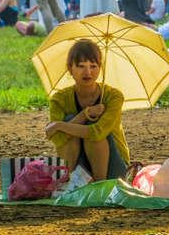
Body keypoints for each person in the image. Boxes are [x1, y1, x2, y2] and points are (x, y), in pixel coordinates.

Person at [45, 39, 130, 181]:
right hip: (78, 167)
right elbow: (58, 139)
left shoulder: (113, 96)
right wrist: (85, 114)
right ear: (69, 67)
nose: (88, 72)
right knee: (69, 122)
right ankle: (69, 181)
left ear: (100, 67)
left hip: (112, 169)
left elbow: (97, 133)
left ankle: (99, 186)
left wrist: (60, 125)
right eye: (81, 66)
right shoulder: (59, 99)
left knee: (88, 128)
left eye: (93, 66)